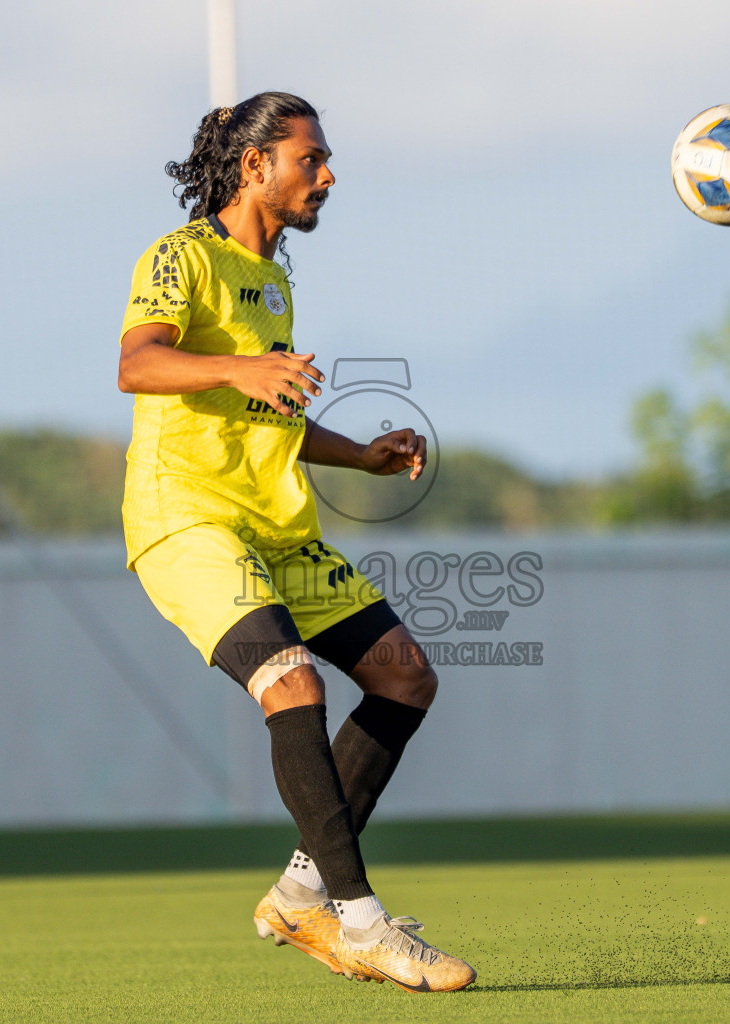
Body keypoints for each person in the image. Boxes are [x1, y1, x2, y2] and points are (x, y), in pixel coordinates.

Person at [116, 91, 475, 993]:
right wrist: (244, 364)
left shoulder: (274, 282)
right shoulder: (181, 257)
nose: (326, 175)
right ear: (255, 167)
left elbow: (264, 410)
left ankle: (301, 892)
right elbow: (139, 363)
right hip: (185, 516)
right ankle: (360, 922)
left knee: (404, 673)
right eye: (310, 159)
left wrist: (359, 454)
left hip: (273, 525)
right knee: (293, 680)